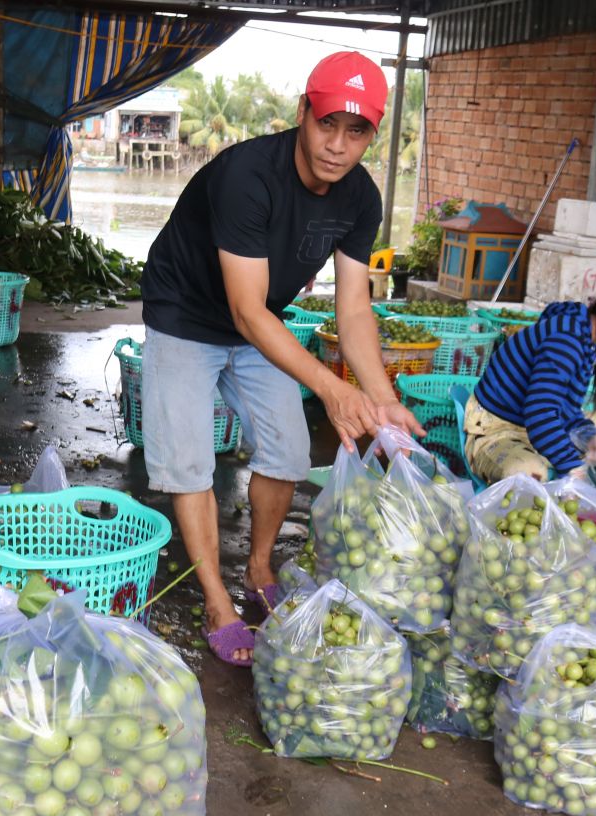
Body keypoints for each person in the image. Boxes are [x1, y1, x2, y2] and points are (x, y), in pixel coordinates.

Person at [139, 51, 423, 666]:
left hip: (260, 323)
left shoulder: (360, 199)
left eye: (357, 132)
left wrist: (381, 400)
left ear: (372, 134)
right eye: (326, 124)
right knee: (190, 464)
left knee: (290, 450)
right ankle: (216, 597)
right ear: (303, 113)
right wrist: (331, 389)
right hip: (187, 313)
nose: (337, 146)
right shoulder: (249, 177)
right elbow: (246, 311)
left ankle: (259, 567)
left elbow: (352, 311)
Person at [464, 273, 596, 494]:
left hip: (539, 425)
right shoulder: (566, 340)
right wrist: (572, 466)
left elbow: (565, 407)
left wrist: (591, 436)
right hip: (499, 429)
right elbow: (540, 415)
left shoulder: (590, 341)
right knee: (529, 471)